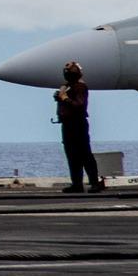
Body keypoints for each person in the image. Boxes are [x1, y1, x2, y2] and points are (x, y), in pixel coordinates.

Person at [55, 61, 104, 193]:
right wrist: (60, 97)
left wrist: (64, 98)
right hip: (67, 124)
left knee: (84, 154)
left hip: (78, 124)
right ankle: (77, 184)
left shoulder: (80, 87)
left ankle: (94, 183)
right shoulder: (67, 87)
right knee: (72, 155)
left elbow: (79, 105)